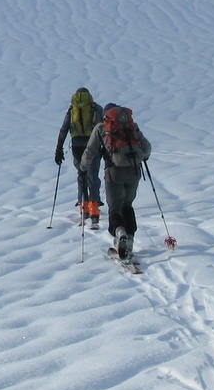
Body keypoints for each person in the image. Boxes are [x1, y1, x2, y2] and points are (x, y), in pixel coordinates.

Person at [82, 103, 152, 260]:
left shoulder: (101, 128)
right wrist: (142, 157)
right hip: (134, 171)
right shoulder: (132, 126)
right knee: (127, 205)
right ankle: (130, 240)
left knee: (115, 207)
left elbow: (90, 151)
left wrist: (83, 167)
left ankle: (120, 233)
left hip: (114, 172)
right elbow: (147, 148)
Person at [55, 87, 103, 228]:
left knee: (81, 174)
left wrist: (59, 149)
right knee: (93, 175)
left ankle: (83, 206)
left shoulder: (72, 109)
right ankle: (94, 208)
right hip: (93, 146)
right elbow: (102, 127)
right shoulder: (96, 108)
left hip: (76, 146)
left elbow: (64, 129)